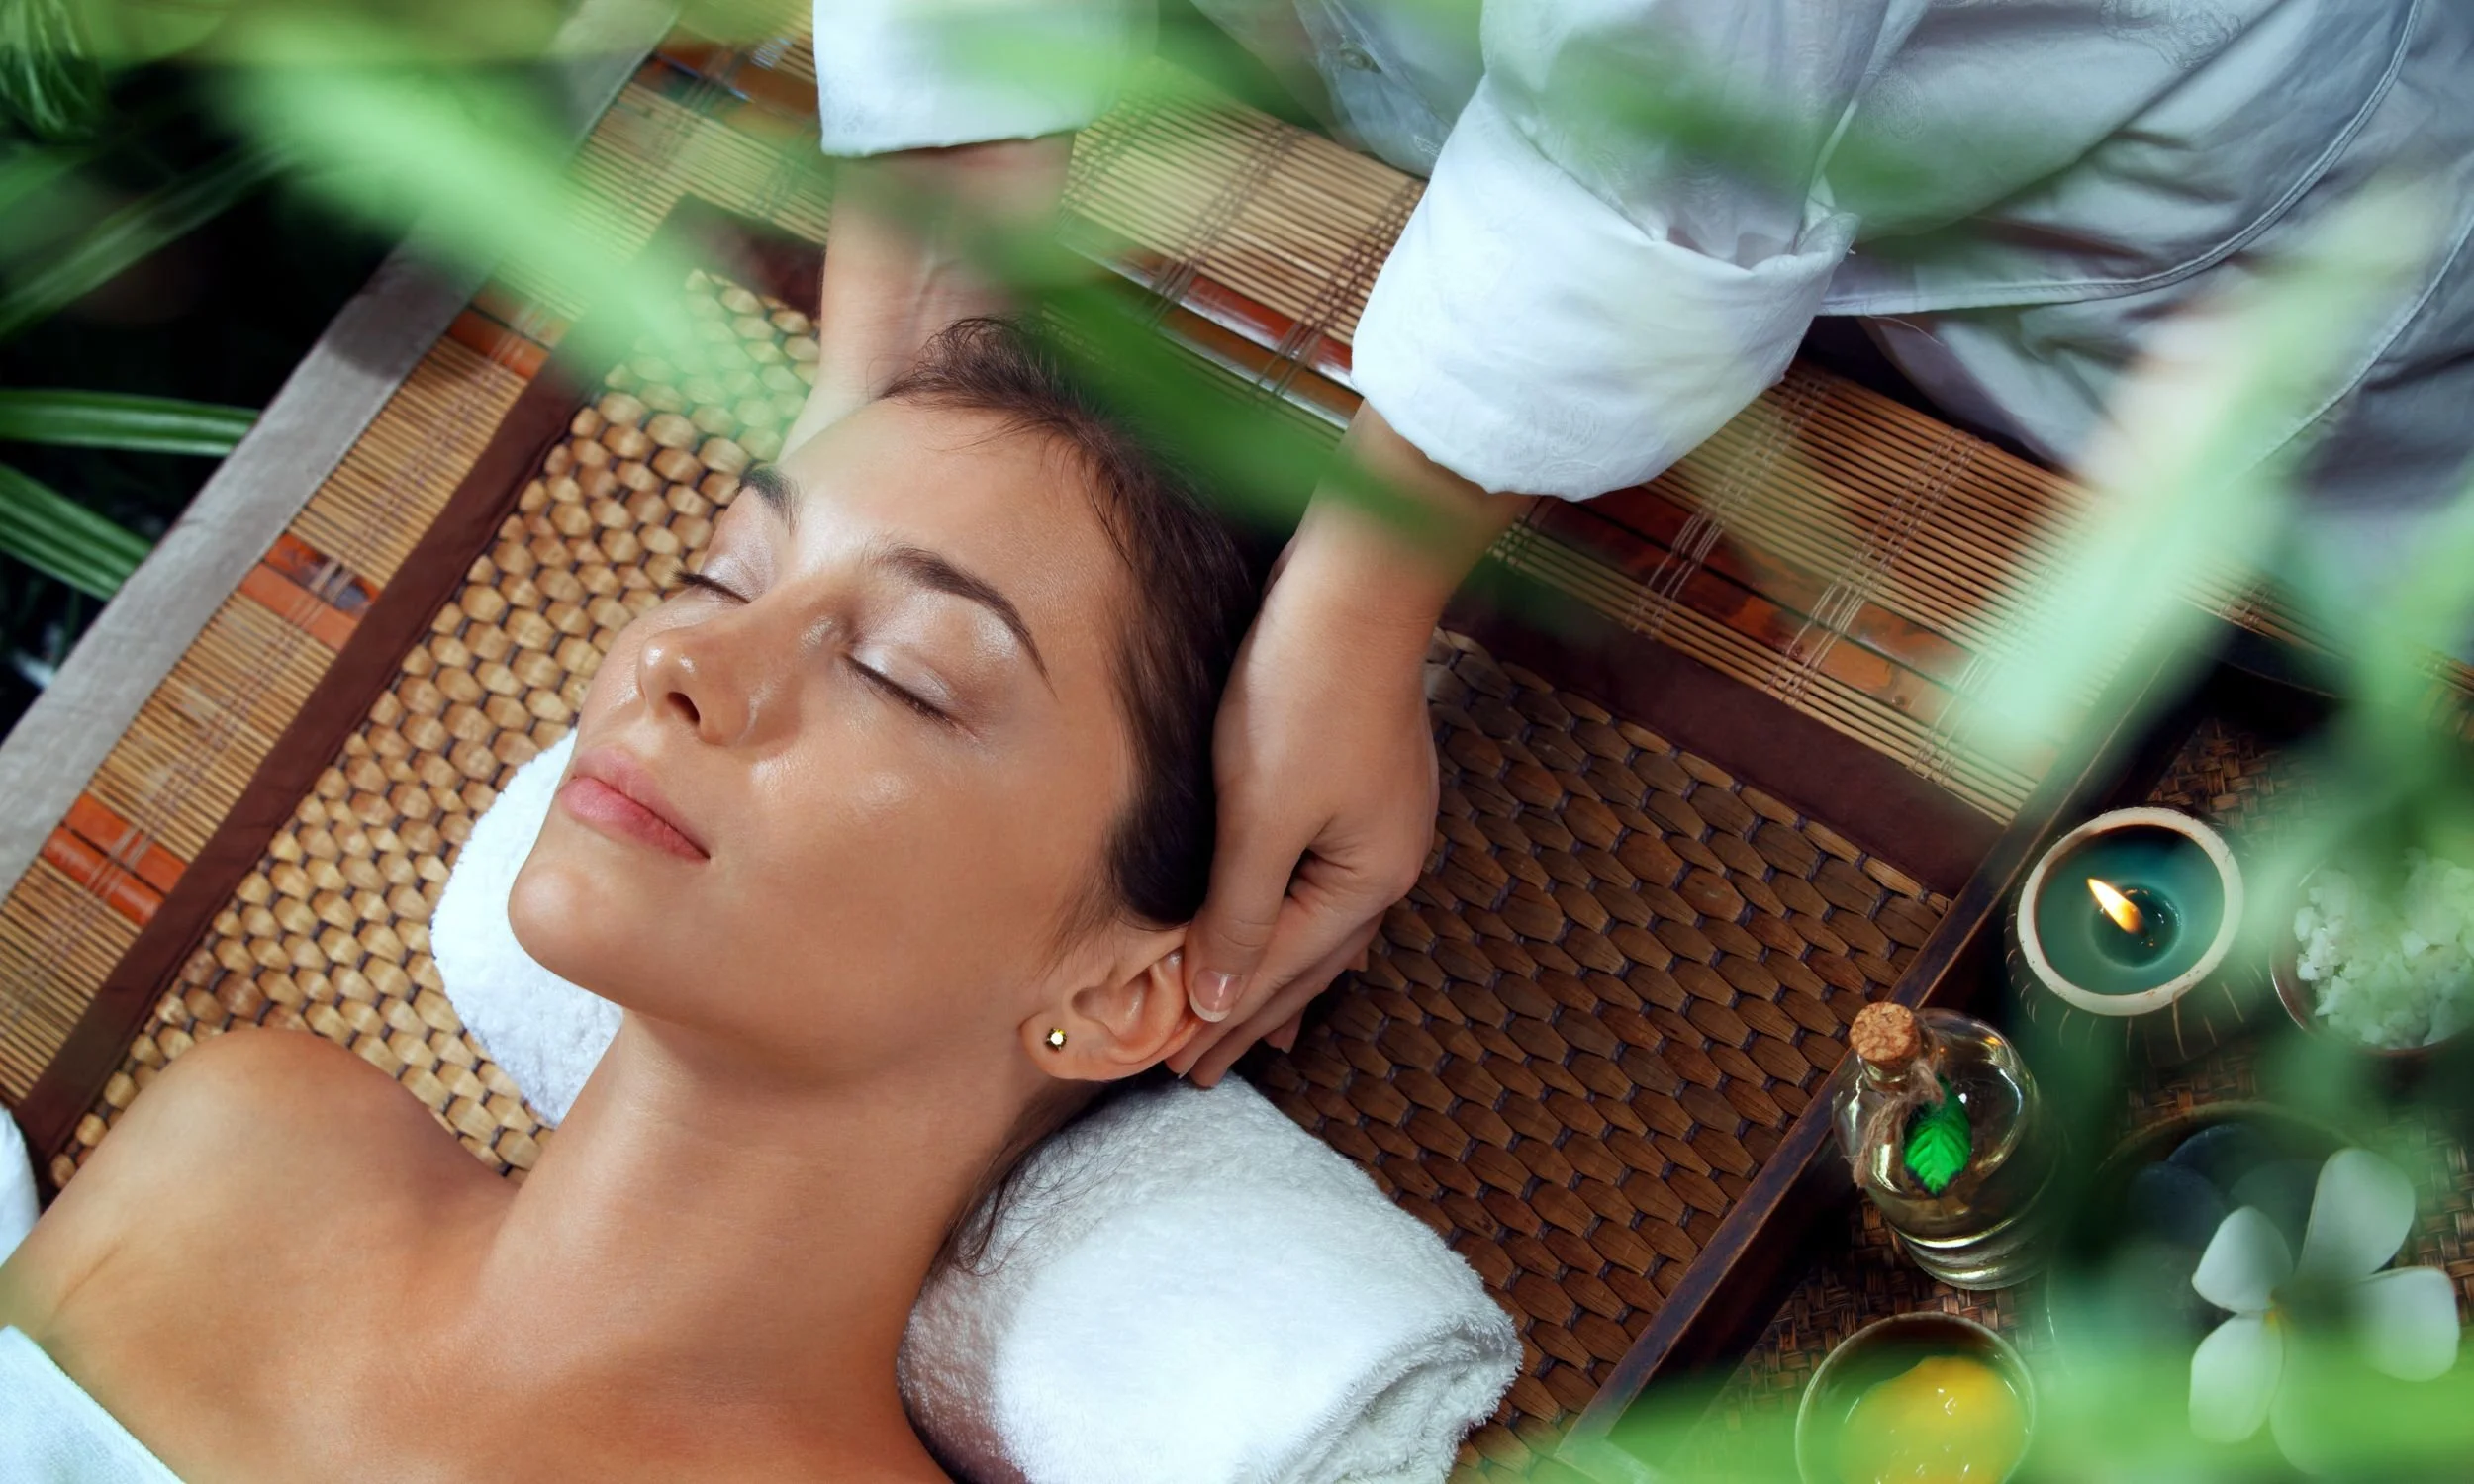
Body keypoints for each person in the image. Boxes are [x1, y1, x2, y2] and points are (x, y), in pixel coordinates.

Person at [797, 0, 2474, 1081]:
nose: (650, 663)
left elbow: (1659, 128)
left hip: (2122, 181)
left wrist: (1358, 612)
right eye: (728, 577)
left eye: (910, 670)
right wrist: (890, 364)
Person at [0, 320, 1271, 1479]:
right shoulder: (247, 1150)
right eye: (724, 575)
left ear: (1117, 993)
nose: (679, 657)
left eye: (901, 674)